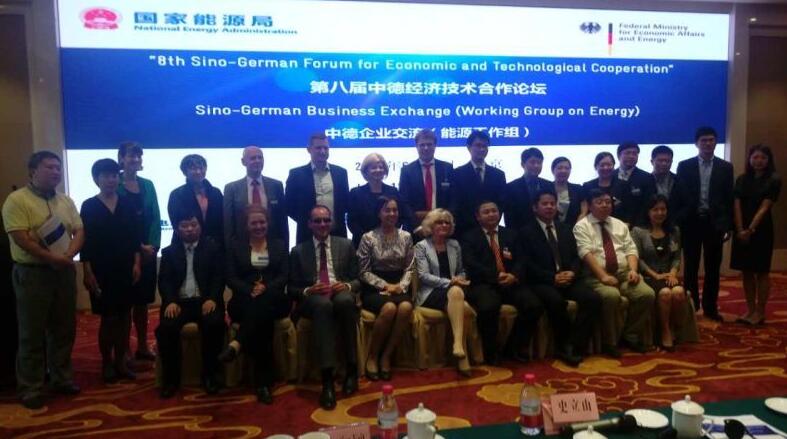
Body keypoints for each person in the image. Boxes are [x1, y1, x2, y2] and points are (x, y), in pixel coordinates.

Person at [2, 151, 84, 409]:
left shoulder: (65, 201)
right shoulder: (17, 200)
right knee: (32, 332)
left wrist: (68, 255)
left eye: (58, 168)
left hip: (64, 272)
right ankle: (31, 387)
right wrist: (52, 258)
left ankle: (61, 378)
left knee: (64, 328)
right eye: (50, 167)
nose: (56, 172)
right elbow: (21, 238)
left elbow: (79, 230)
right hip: (33, 274)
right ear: (33, 171)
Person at [289, 205, 360, 410]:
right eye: (317, 221)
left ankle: (351, 370)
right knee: (322, 305)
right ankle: (327, 380)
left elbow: (358, 279)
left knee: (346, 302)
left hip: (339, 292)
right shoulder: (298, 251)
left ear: (332, 222)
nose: (322, 224)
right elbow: (291, 287)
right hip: (313, 299)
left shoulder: (346, 245)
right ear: (309, 224)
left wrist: (347, 286)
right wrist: (308, 290)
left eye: (326, 220)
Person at [520, 190, 601, 367]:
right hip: (543, 281)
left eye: (552, 203)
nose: (549, 207)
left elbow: (576, 257)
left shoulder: (565, 228)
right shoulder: (525, 232)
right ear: (535, 207)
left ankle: (575, 344)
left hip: (569, 278)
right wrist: (553, 277)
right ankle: (563, 347)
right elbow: (526, 265)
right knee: (556, 301)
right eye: (545, 204)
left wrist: (572, 272)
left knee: (592, 298)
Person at [219, 205, 290, 404]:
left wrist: (265, 288)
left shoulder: (279, 244)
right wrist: (250, 289)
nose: (259, 226)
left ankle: (237, 343)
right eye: (254, 223)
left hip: (275, 298)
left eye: (262, 222)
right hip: (244, 299)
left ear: (268, 223)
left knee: (262, 307)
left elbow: (284, 276)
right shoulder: (235, 246)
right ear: (246, 225)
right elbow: (231, 278)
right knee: (262, 319)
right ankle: (263, 382)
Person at [573, 189, 655, 357]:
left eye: (608, 202)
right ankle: (609, 342)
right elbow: (585, 253)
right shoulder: (582, 226)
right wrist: (603, 276)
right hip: (595, 276)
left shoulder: (619, 224)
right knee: (611, 296)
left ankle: (630, 335)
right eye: (599, 202)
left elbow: (631, 249)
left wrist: (633, 271)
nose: (605, 205)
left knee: (646, 294)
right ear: (589, 206)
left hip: (623, 272)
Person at [81, 159, 142, 382]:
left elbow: (135, 237)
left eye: (114, 175)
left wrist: (137, 263)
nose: (111, 180)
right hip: (101, 269)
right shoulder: (89, 205)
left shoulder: (127, 203)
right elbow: (86, 242)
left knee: (125, 316)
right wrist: (87, 271)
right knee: (108, 318)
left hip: (125, 266)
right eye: (106, 176)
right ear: (96, 179)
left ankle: (121, 361)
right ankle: (107, 362)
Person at [461, 201, 543, 365]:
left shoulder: (511, 234)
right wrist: (496, 276)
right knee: (488, 307)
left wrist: (514, 275)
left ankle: (513, 347)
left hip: (511, 281)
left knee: (534, 305)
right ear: (478, 217)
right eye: (486, 212)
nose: (491, 214)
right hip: (484, 284)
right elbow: (471, 264)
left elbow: (522, 259)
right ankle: (491, 352)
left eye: (494, 211)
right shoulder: (469, 237)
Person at [155, 211, 226, 398]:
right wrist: (170, 301)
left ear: (200, 227)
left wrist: (212, 298)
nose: (189, 229)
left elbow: (218, 278)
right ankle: (171, 380)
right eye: (184, 226)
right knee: (166, 328)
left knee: (214, 324)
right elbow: (165, 281)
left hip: (205, 301)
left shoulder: (213, 249)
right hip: (179, 303)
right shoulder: (169, 252)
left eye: (193, 225)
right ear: (177, 229)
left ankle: (210, 376)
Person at [674, 127, 734, 321]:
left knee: (713, 268)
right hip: (691, 222)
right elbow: (680, 196)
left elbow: (728, 198)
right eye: (704, 140)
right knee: (690, 267)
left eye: (711, 140)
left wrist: (728, 225)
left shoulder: (726, 167)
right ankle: (691, 306)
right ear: (696, 143)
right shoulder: (685, 166)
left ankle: (710, 307)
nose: (708, 143)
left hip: (714, 224)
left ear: (716, 142)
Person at [357, 197, 414, 381]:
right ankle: (373, 356)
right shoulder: (368, 238)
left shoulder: (406, 237)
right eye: (387, 210)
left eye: (394, 210)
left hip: (399, 285)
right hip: (374, 287)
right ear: (379, 214)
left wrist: (401, 286)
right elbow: (363, 272)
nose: (391, 213)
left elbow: (410, 268)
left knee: (405, 307)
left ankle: (386, 356)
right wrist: (385, 285)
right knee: (389, 308)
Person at [413, 209, 472, 376]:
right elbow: (424, 276)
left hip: (453, 293)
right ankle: (462, 354)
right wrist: (451, 282)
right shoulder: (421, 246)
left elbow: (461, 270)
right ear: (431, 225)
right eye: (440, 222)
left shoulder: (454, 245)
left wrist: (460, 278)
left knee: (457, 295)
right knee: (463, 305)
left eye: (447, 222)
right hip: (430, 292)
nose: (444, 225)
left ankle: (458, 349)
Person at [117, 142, 160, 362]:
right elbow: (118, 223)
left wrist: (152, 246)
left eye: (138, 156)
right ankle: (124, 349)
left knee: (142, 303)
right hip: (123, 253)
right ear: (121, 159)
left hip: (148, 254)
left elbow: (155, 218)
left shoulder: (148, 184)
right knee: (124, 305)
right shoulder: (114, 184)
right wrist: (137, 246)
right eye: (131, 156)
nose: (135, 159)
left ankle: (142, 345)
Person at [730, 145, 781, 326]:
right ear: (750, 159)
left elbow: (765, 207)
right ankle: (750, 309)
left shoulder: (773, 180)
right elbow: (736, 205)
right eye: (755, 157)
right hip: (741, 229)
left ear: (768, 160)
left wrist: (750, 229)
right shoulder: (742, 179)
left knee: (762, 272)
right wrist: (740, 229)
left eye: (763, 158)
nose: (758, 161)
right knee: (746, 271)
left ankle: (760, 311)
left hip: (761, 230)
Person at [631, 195, 688, 351]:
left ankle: (675, 327)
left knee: (678, 292)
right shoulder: (638, 231)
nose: (660, 213)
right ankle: (664, 331)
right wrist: (655, 275)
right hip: (648, 276)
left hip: (669, 275)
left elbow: (676, 257)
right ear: (648, 212)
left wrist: (673, 273)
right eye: (655, 209)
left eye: (663, 209)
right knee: (665, 293)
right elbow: (638, 258)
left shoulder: (674, 230)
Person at [286, 133, 350, 244]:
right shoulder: (296, 174)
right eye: (318, 148)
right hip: (307, 235)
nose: (322, 151)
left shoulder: (341, 173)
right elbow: (289, 206)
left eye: (325, 148)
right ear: (309, 149)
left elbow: (345, 203)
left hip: (337, 233)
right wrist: (308, 222)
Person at [223, 146, 288, 246]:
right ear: (243, 162)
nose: (257, 161)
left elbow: (282, 221)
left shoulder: (276, 185)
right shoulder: (231, 189)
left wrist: (284, 247)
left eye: (260, 157)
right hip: (242, 247)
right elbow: (228, 224)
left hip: (272, 246)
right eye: (253, 158)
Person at [449, 130, 507, 237]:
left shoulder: (498, 174)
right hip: (465, 231)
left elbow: (501, 203)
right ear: (469, 147)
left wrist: (490, 221)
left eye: (485, 146)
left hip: (492, 229)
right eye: (478, 145)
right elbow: (456, 203)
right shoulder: (457, 174)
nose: (481, 149)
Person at [349, 153, 411, 247]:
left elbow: (402, 216)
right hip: (363, 244)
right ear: (366, 171)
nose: (378, 170)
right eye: (373, 167)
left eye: (381, 167)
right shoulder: (356, 193)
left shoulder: (393, 191)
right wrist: (368, 240)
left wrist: (390, 234)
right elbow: (352, 221)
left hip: (390, 243)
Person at [398, 129, 453, 228]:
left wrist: (443, 218)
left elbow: (453, 199)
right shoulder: (407, 171)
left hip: (443, 225)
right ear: (416, 146)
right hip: (417, 226)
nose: (426, 148)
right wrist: (417, 220)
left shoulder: (447, 168)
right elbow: (404, 201)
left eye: (429, 144)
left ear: (435, 145)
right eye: (422, 145)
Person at [167, 154, 224, 247]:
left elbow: (223, 220)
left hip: (215, 246)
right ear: (185, 172)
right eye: (193, 168)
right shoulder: (177, 194)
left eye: (201, 168)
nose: (198, 172)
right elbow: (176, 223)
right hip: (186, 246)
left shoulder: (216, 193)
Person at [503, 147, 554, 230]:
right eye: (532, 162)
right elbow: (509, 217)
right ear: (522, 164)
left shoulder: (549, 185)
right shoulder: (511, 187)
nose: (536, 165)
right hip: (520, 233)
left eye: (539, 163)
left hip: (545, 231)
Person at [614, 142, 656, 227]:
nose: (631, 156)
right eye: (627, 153)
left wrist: (632, 224)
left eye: (634, 153)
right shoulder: (610, 175)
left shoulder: (647, 178)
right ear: (618, 156)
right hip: (613, 224)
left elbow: (648, 205)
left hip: (638, 226)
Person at [582, 151, 625, 217]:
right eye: (602, 165)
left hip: (619, 222)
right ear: (595, 167)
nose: (605, 168)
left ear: (613, 166)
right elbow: (585, 209)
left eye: (609, 165)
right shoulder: (587, 186)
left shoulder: (623, 185)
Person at [551, 156, 587, 228]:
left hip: (575, 228)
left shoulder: (578, 189)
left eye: (567, 168)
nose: (563, 171)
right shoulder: (546, 187)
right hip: (550, 229)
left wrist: (578, 225)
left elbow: (584, 210)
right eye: (560, 168)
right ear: (553, 170)